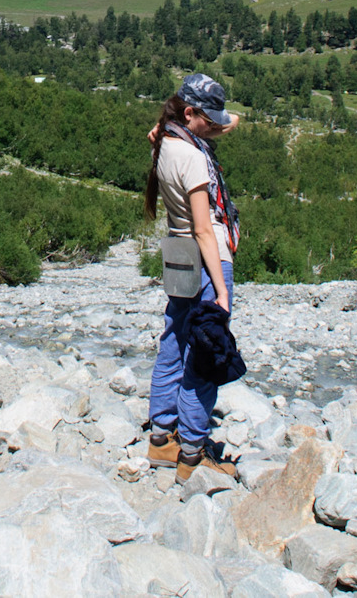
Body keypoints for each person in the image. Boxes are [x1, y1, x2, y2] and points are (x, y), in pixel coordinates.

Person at [145, 73, 243, 481]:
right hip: (206, 257)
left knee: (175, 339)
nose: (218, 127)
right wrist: (221, 291)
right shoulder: (193, 157)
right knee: (206, 349)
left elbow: (227, 120)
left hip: (177, 254)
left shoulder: (165, 140)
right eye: (209, 120)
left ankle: (161, 437)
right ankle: (192, 453)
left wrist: (220, 119)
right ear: (189, 113)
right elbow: (205, 228)